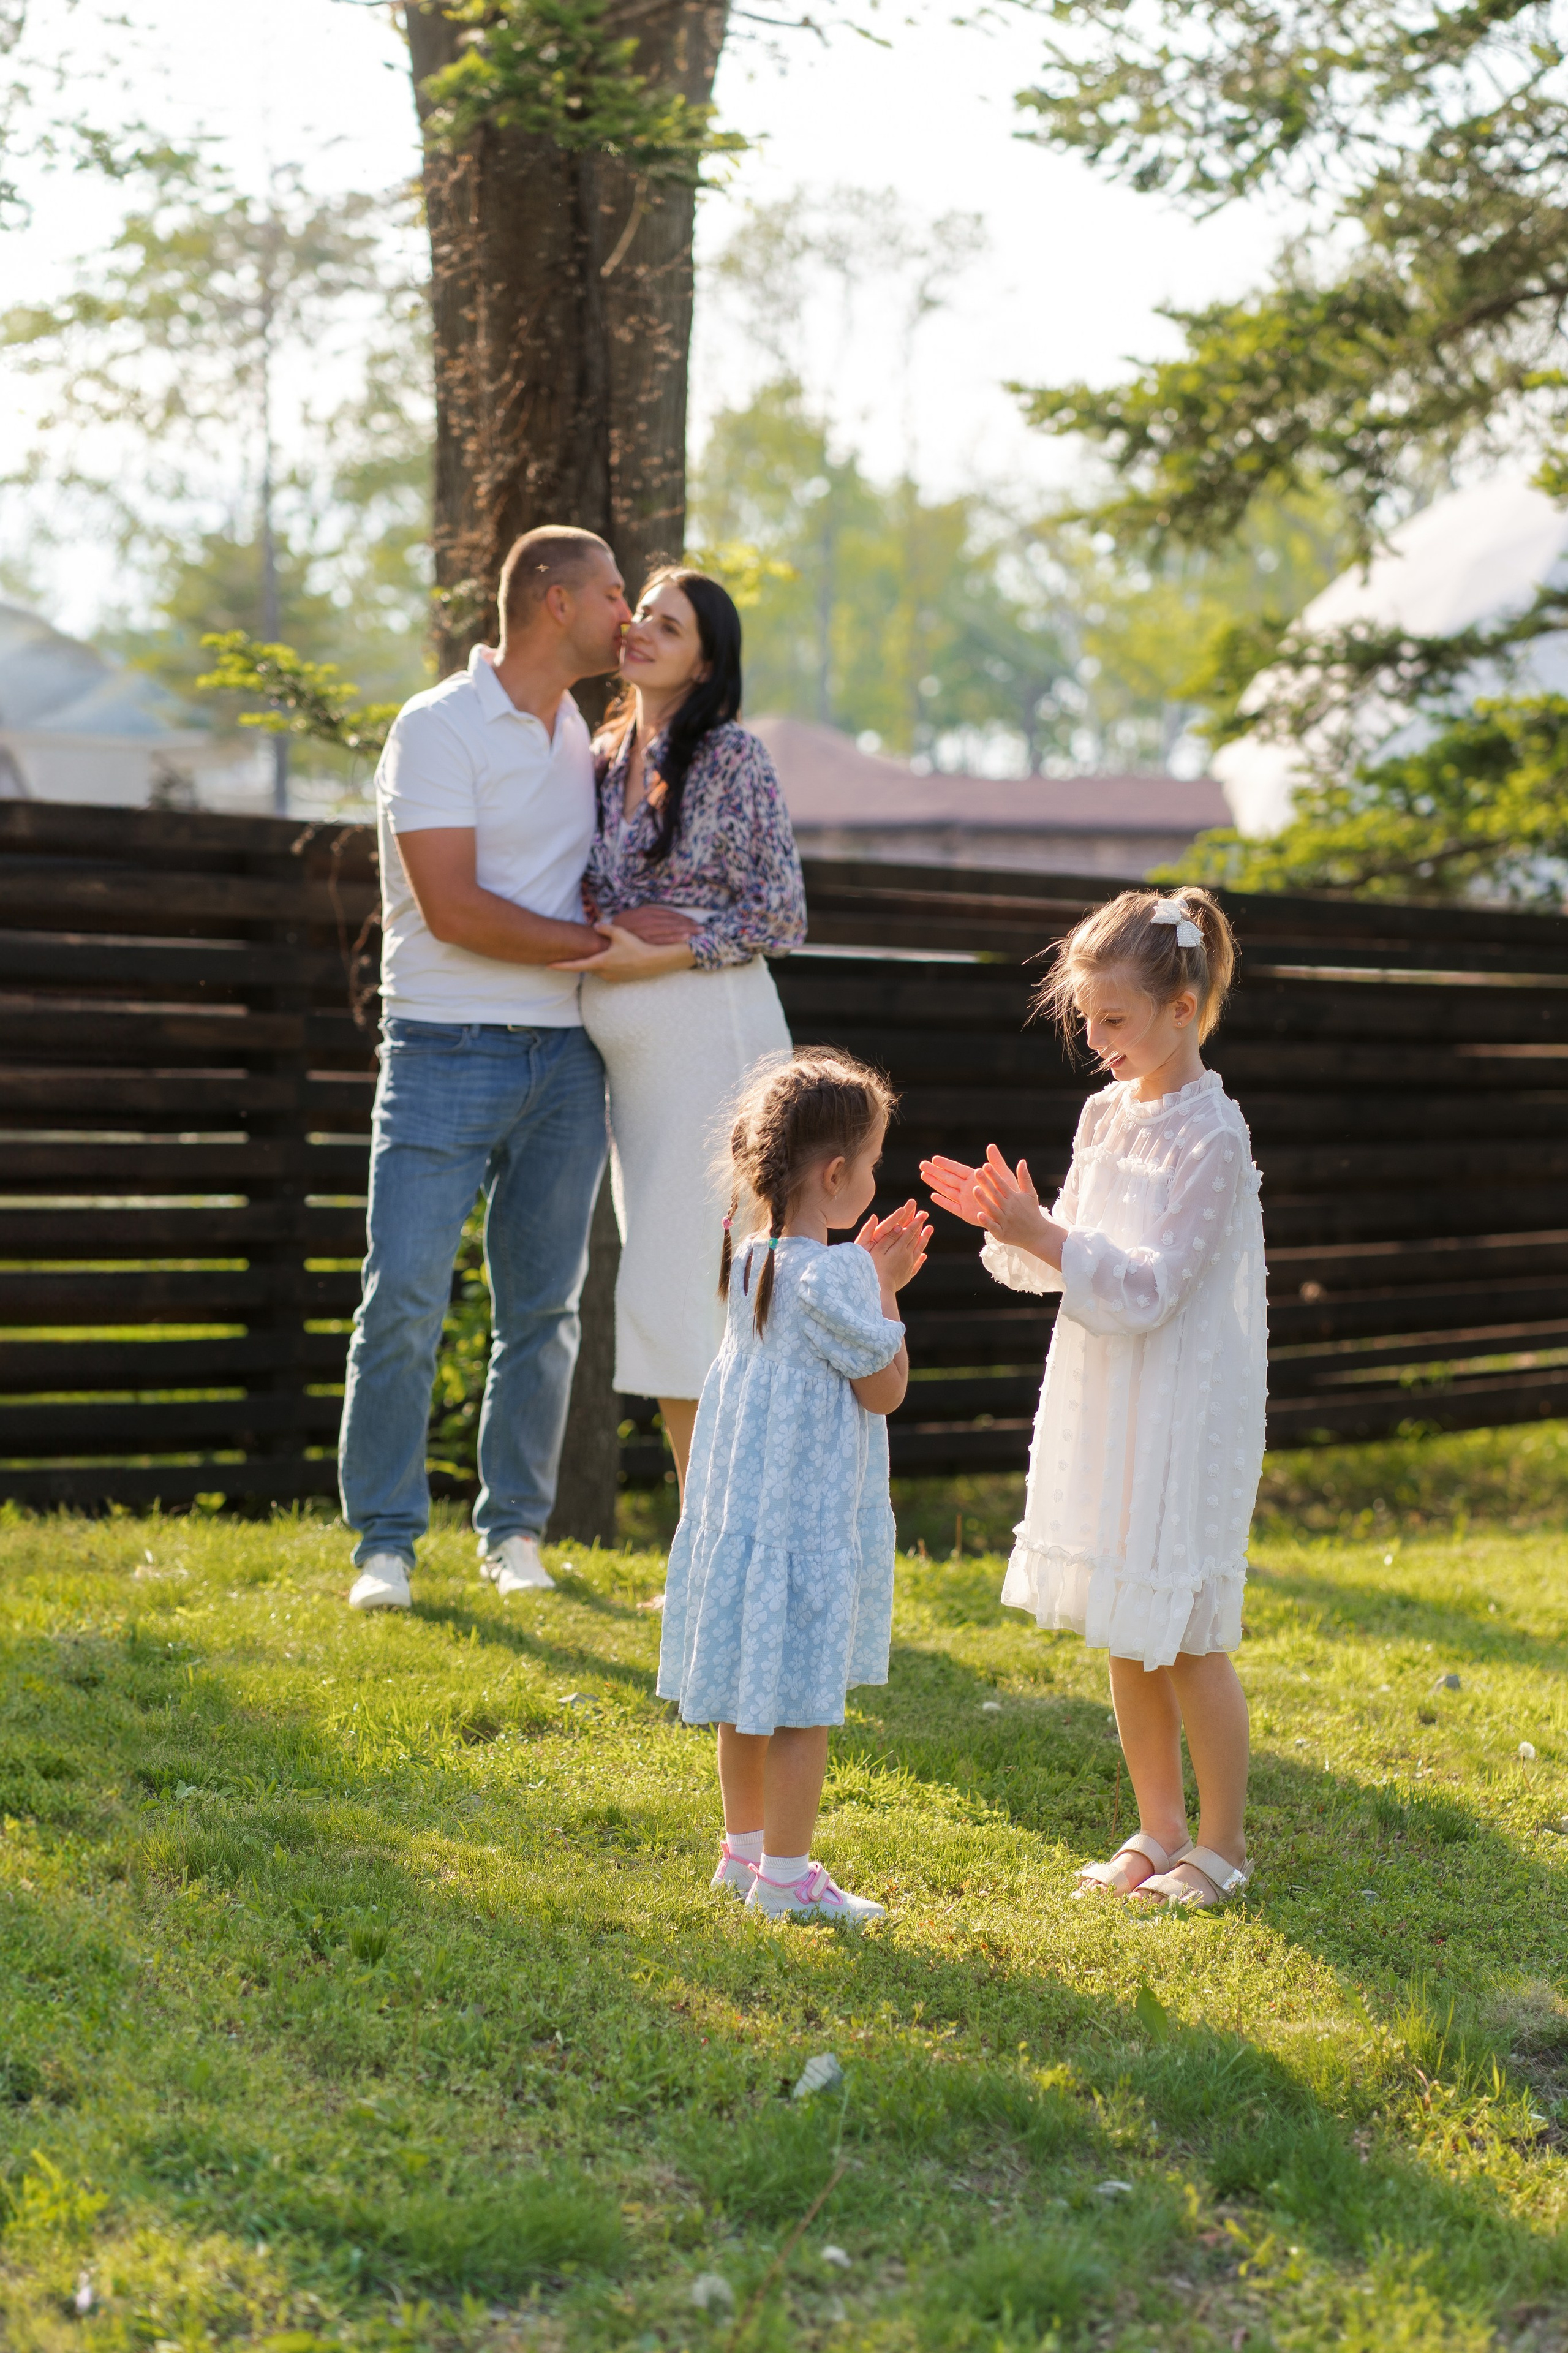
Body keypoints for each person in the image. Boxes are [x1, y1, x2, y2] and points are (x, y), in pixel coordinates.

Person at [921, 888, 1266, 1911]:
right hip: (1108, 1399)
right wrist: (1021, 1229)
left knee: (1188, 1632)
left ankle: (1223, 1841)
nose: (1095, 1039)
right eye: (1086, 1019)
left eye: (1113, 1019)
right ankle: (1157, 1827)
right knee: (1126, 1618)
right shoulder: (1102, 1115)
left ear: (1185, 1007)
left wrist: (1049, 1237)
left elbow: (1152, 1288)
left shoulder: (1214, 1135)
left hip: (1182, 1407)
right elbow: (1069, 1265)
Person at [339, 526, 631, 1613]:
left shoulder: (589, 737)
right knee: (406, 1296)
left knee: (545, 1310)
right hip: (442, 1047)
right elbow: (453, 910)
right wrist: (608, 950)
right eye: (612, 592)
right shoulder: (437, 726)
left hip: (568, 1057)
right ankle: (384, 1545)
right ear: (556, 603)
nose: (627, 612)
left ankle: (513, 1534)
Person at [657, 1051, 930, 1922]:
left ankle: (741, 1856)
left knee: (744, 1693)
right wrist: (884, 1287)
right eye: (875, 1163)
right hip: (804, 1528)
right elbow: (887, 1387)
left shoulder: (749, 1259)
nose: (877, 1179)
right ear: (838, 1173)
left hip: (747, 1520)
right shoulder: (838, 1274)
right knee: (803, 1708)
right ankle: (787, 1877)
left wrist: (866, 1275)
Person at [552, 567, 806, 1497]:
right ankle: (712, 1539)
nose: (644, 631)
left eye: (671, 625)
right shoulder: (602, 752)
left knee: (708, 1286)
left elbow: (782, 915)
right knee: (666, 1298)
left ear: (706, 663)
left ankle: (727, 1537)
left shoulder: (732, 755)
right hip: (639, 1069)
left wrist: (670, 952)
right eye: (643, 616)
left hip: (716, 1040)